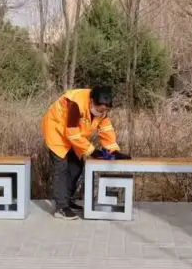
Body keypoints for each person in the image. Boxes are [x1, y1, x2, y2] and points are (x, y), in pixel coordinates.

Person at [42, 86, 130, 220]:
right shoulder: (75, 104)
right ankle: (61, 208)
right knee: (61, 168)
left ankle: (67, 201)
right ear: (92, 102)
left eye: (105, 111)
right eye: (100, 110)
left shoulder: (102, 109)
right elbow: (72, 133)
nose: (102, 113)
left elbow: (106, 129)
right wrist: (92, 151)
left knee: (76, 167)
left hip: (73, 135)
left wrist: (114, 150)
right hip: (56, 132)